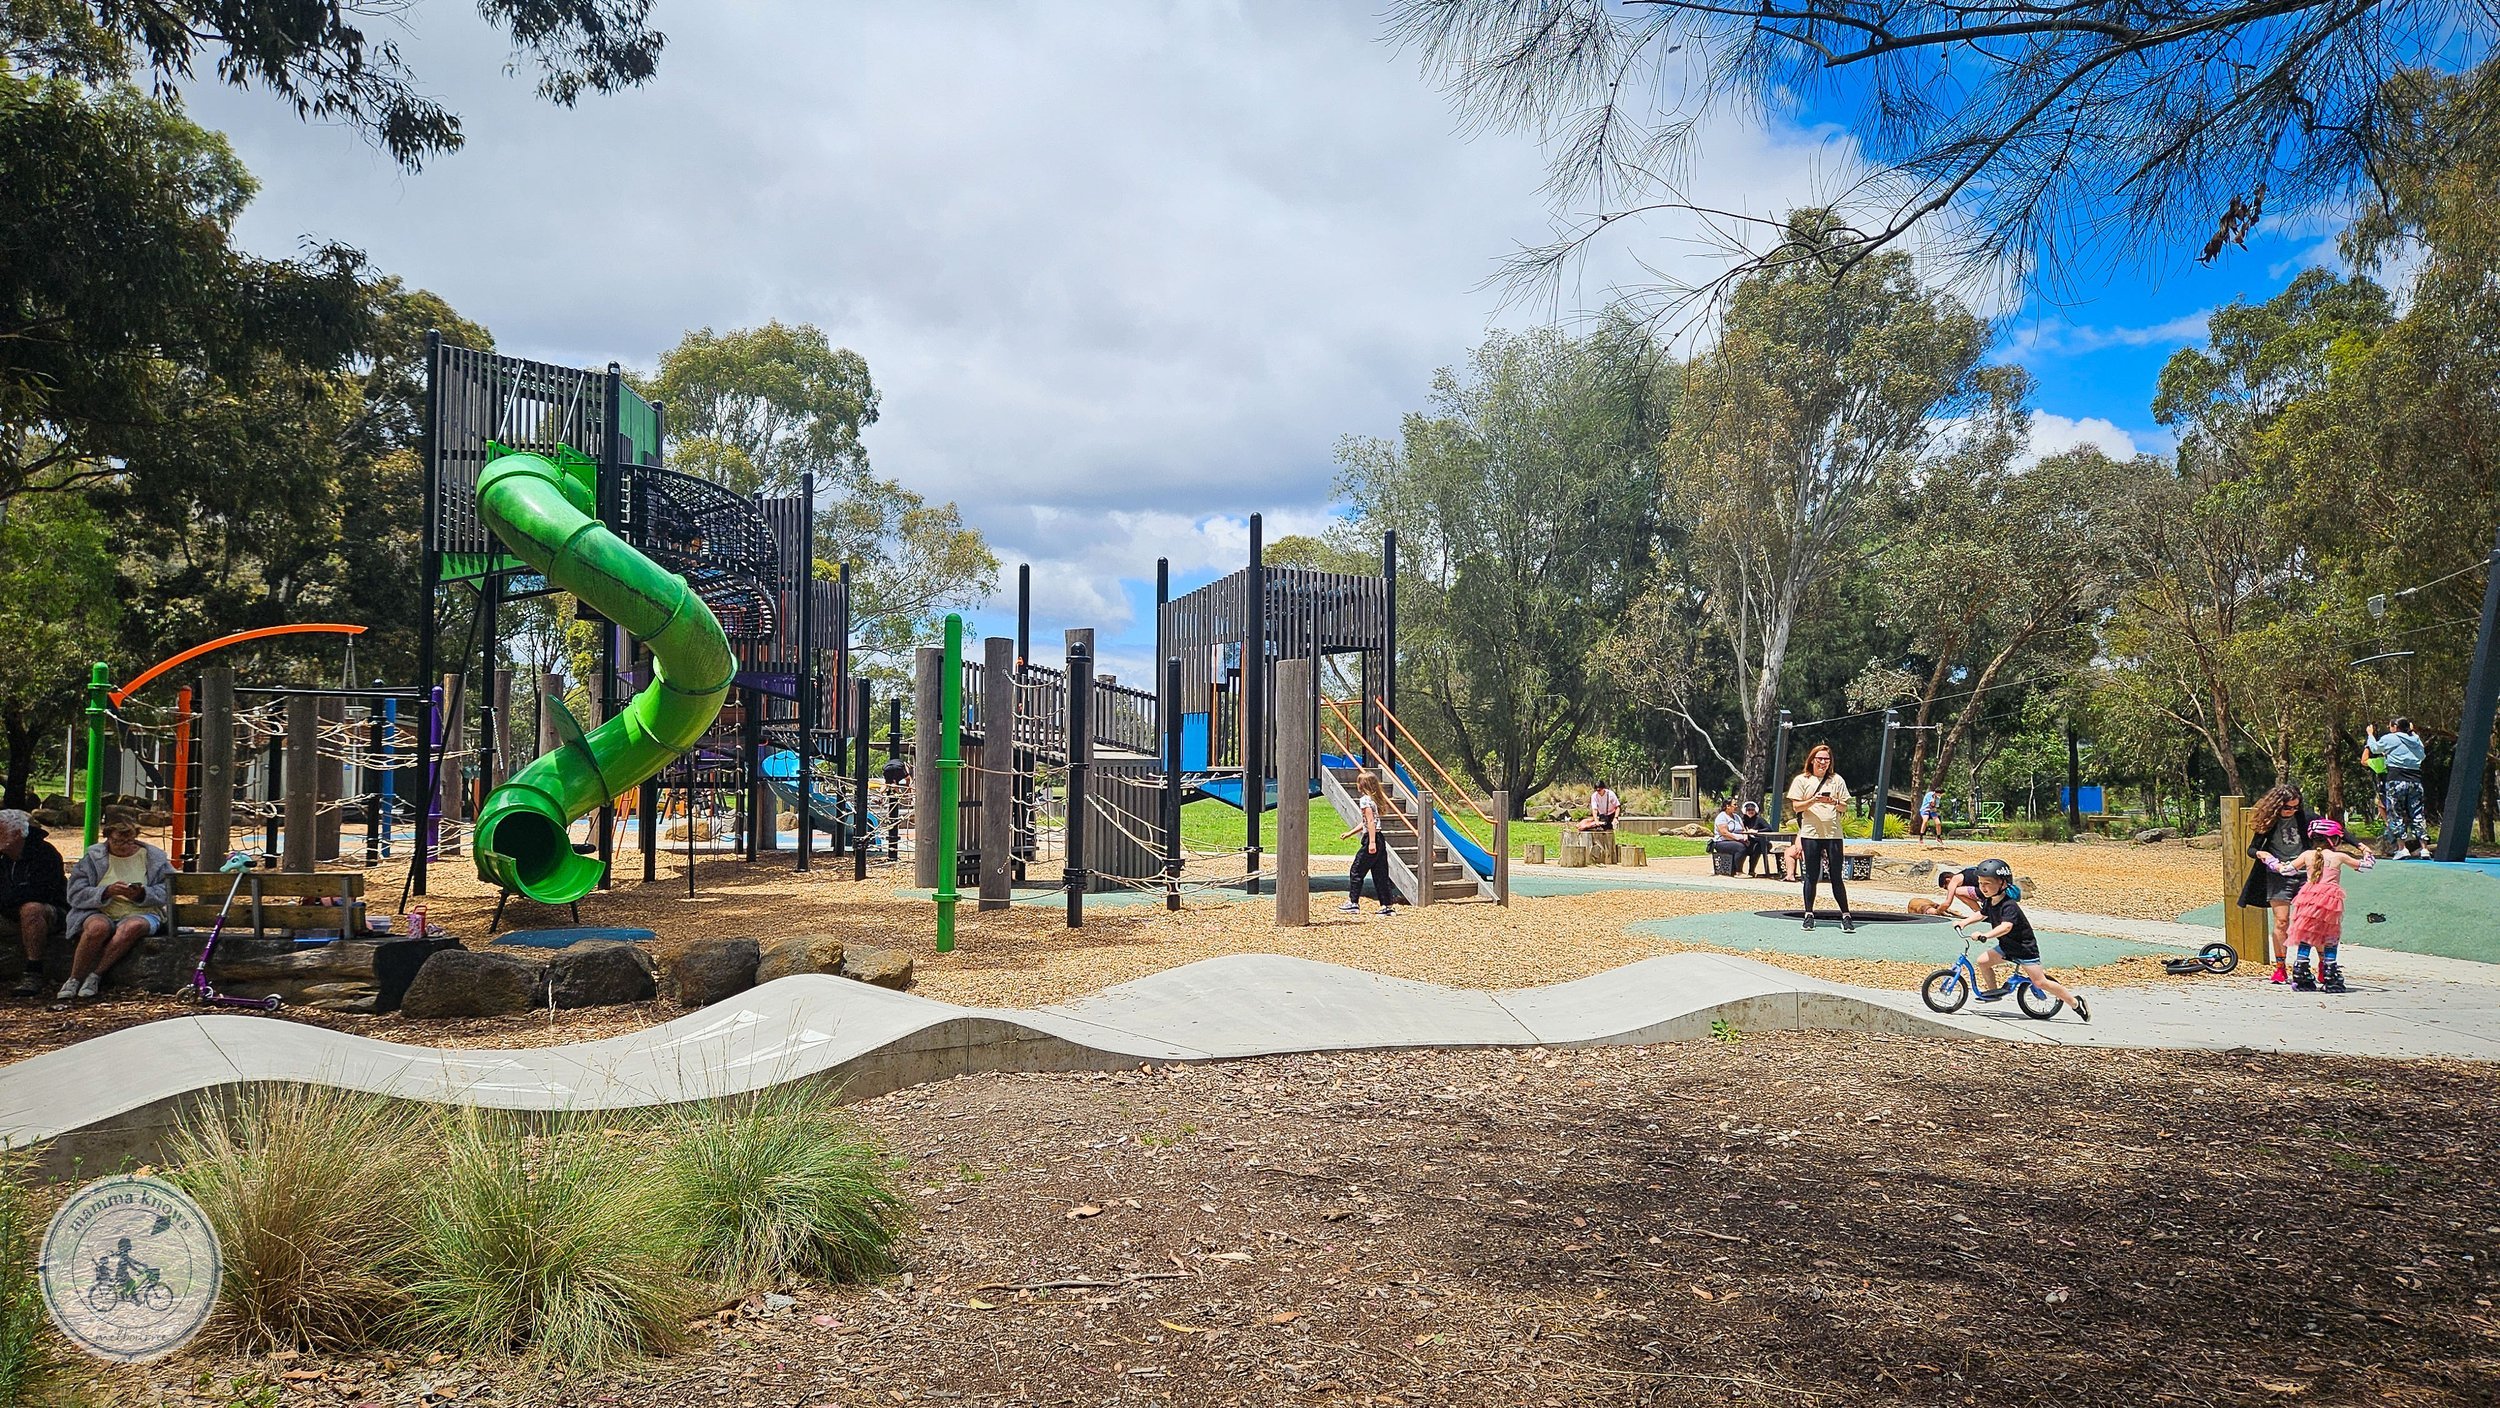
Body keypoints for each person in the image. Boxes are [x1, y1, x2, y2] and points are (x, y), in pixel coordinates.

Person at [1953, 858, 2090, 1020]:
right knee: (1983, 961)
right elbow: (1982, 914)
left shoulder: (2009, 905)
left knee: (2039, 982)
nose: (1983, 887)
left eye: (1988, 883)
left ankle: (2075, 1003)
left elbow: (2006, 927)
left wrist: (1986, 935)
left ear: (2003, 884)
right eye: (1981, 883)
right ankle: (1994, 993)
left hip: (2024, 949)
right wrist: (1964, 922)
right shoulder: (1990, 901)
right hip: (2007, 946)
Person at [61, 819, 173, 1001]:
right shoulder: (93, 859)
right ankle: (74, 978)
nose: (124, 846)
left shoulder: (154, 858)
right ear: (108, 839)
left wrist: (142, 894)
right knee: (97, 928)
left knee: (131, 927)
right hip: (100, 910)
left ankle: (96, 975)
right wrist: (105, 892)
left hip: (142, 911)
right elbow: (75, 893)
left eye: (129, 841)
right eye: (118, 841)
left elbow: (169, 888)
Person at [2236, 784, 2315, 984]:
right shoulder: (2270, 821)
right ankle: (2280, 967)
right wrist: (2264, 855)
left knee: (2308, 921)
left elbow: (2336, 830)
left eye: (2296, 807)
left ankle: (2314, 965)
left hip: (2305, 874)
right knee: (2281, 921)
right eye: (2288, 807)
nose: (2292, 811)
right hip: (2278, 875)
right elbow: (2252, 849)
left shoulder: (2305, 818)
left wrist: (2360, 846)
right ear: (2276, 806)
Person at [2284, 818, 2373, 992]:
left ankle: (2301, 972)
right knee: (2331, 936)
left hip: (2308, 898)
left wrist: (2269, 860)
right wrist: (2367, 852)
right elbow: (2367, 867)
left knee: (2306, 935)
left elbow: (2286, 870)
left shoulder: (2306, 855)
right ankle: (2331, 974)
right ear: (2334, 840)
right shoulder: (2339, 856)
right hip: (2329, 902)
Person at [1785, 743, 1855, 932]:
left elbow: (1844, 807)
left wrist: (1834, 801)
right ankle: (1808, 914)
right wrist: (1813, 800)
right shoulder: (1802, 780)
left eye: (1827, 759)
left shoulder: (1836, 780)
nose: (1823, 762)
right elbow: (1797, 807)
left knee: (1836, 876)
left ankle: (1846, 915)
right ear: (1812, 760)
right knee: (1811, 875)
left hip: (1833, 834)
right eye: (1820, 758)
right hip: (1811, 834)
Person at [0, 810, 68, 998]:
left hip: (50, 913)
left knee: (31, 908)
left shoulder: (45, 854)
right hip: (8, 911)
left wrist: (8, 899)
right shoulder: (3, 858)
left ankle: (33, 971)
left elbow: (42, 892)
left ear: (16, 834)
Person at [2365, 718, 2429, 858]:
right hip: (2415, 780)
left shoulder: (2390, 738)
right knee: (2418, 813)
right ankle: (2424, 848)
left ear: (2395, 726)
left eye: (2390, 726)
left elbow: (2375, 748)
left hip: (2396, 779)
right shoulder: (2416, 739)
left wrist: (2370, 735)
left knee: (2395, 813)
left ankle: (2402, 848)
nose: (2389, 728)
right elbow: (2422, 755)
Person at [1337, 771, 1399, 916]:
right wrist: (1350, 833)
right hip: (1379, 837)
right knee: (1380, 873)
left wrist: (1371, 843)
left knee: (1357, 870)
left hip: (1372, 838)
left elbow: (1370, 822)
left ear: (1362, 785)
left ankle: (1353, 902)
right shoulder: (1374, 799)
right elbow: (1367, 822)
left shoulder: (1365, 800)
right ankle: (1387, 905)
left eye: (1358, 782)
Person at [1908, 863, 1984, 920]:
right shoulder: (1966, 872)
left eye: (1946, 888)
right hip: (1991, 888)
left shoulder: (1954, 880)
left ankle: (1980, 913)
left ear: (1948, 880)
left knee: (1956, 892)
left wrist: (1937, 911)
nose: (1948, 889)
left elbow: (1947, 903)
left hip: (1984, 891)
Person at [1707, 796, 1750, 873]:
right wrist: (1738, 839)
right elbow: (1724, 833)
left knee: (1754, 846)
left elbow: (1743, 829)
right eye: (1735, 805)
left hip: (1737, 840)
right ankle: (1738, 871)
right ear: (1727, 806)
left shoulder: (1737, 817)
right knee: (1740, 847)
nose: (1736, 806)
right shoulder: (1722, 817)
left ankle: (1751, 870)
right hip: (1721, 842)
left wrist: (1745, 837)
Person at [1738, 800, 1775, 876]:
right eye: (1748, 810)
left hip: (1763, 843)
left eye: (1752, 810)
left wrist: (1757, 831)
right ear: (1745, 811)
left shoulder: (1759, 819)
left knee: (1757, 848)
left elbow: (1769, 829)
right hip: (1750, 842)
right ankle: (1738, 870)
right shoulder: (1744, 820)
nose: (1750, 811)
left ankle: (1751, 871)